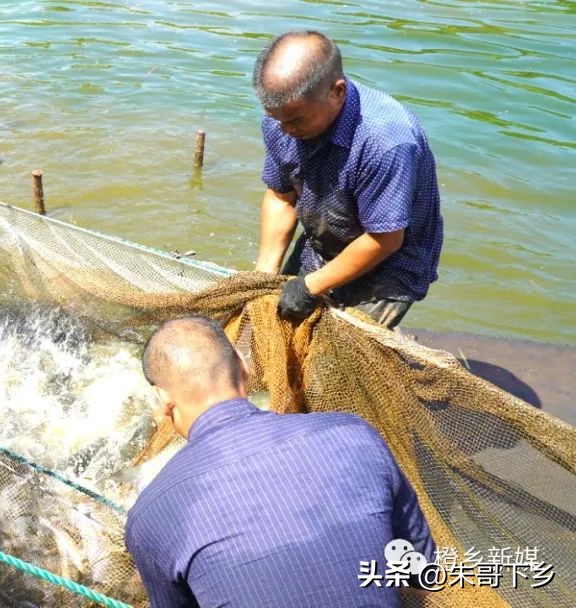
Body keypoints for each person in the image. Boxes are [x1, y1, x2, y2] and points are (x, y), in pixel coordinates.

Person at [125, 315, 435, 607]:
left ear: (163, 399)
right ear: (243, 366)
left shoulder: (149, 513)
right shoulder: (354, 433)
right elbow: (421, 569)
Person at [251, 31, 443, 328]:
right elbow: (281, 196)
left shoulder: (387, 143)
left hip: (389, 261)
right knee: (283, 324)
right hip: (326, 237)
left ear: (337, 92)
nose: (285, 130)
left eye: (296, 120)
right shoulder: (282, 117)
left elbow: (386, 238)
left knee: (336, 357)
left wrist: (309, 287)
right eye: (278, 120)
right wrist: (264, 274)